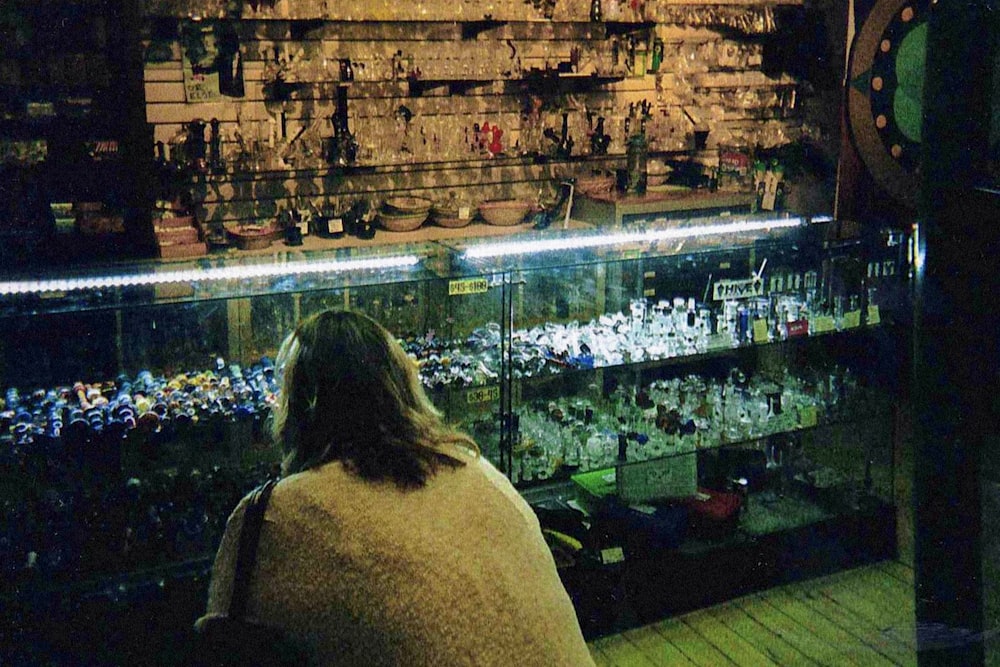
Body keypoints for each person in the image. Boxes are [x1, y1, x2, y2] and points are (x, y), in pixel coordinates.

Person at [197, 309, 595, 666]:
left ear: (298, 407)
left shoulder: (273, 513)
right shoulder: (478, 470)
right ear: (404, 388)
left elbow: (219, 638)